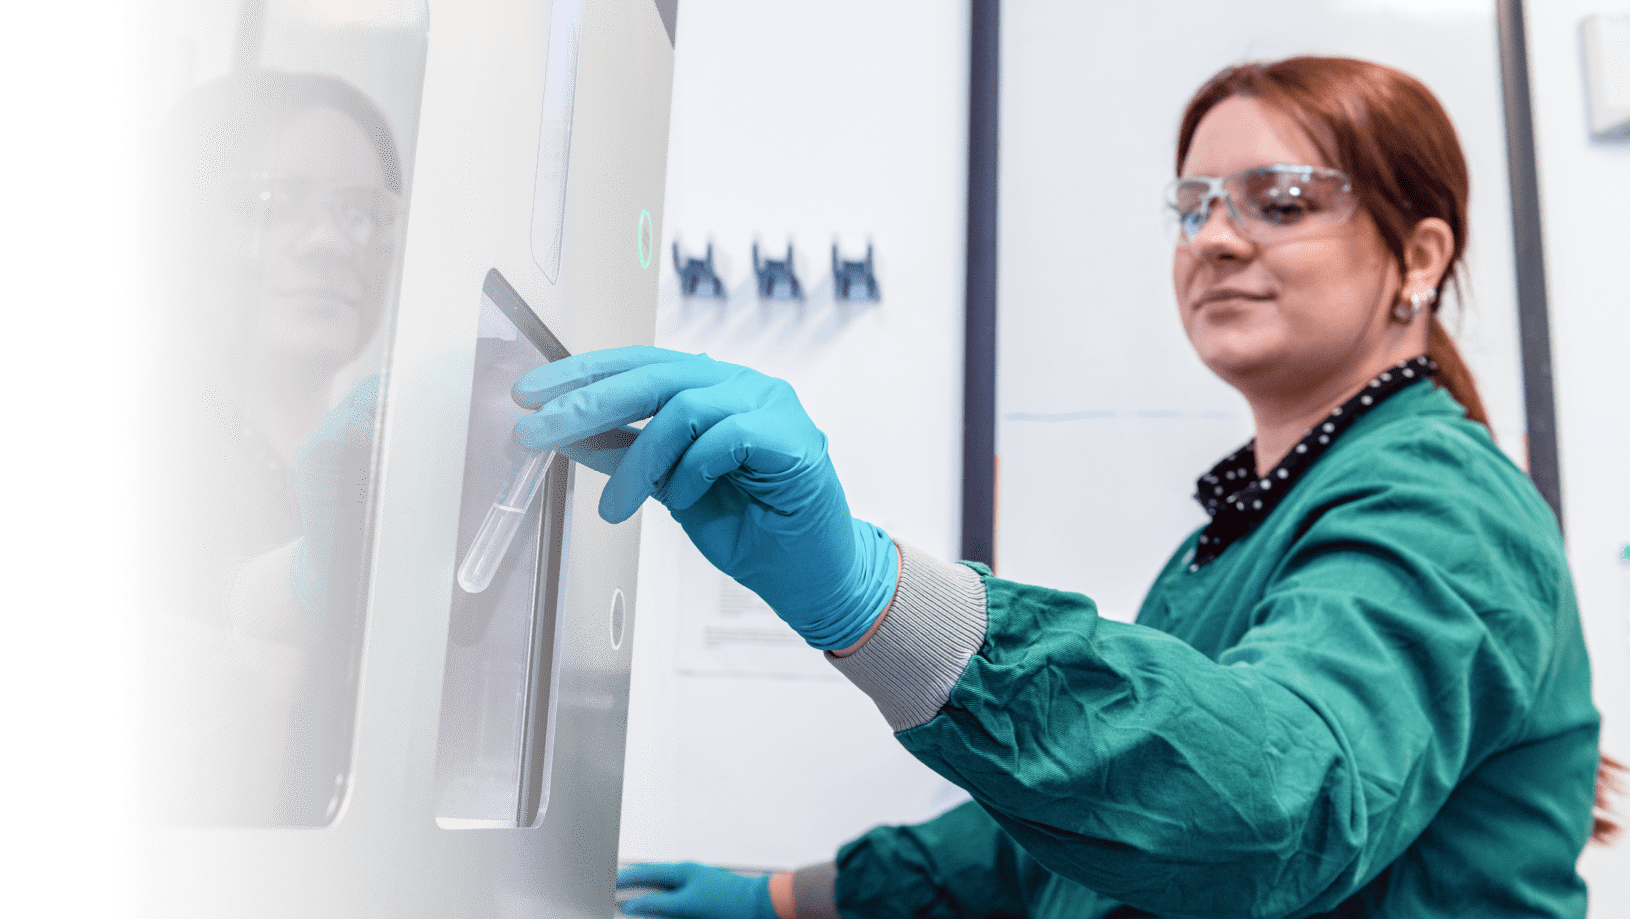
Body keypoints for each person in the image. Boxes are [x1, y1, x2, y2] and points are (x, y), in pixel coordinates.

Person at [512, 57, 1604, 917]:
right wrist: (788, 899)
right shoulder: (1252, 523)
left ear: (1420, 258)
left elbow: (1274, 804)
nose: (1217, 239)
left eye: (1279, 201)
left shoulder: (1444, 505)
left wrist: (876, 595)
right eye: (1194, 206)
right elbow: (1080, 826)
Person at [142, 68, 403, 827]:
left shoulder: (375, 466)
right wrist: (303, 583)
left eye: (363, 214)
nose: (332, 243)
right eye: (270, 205)